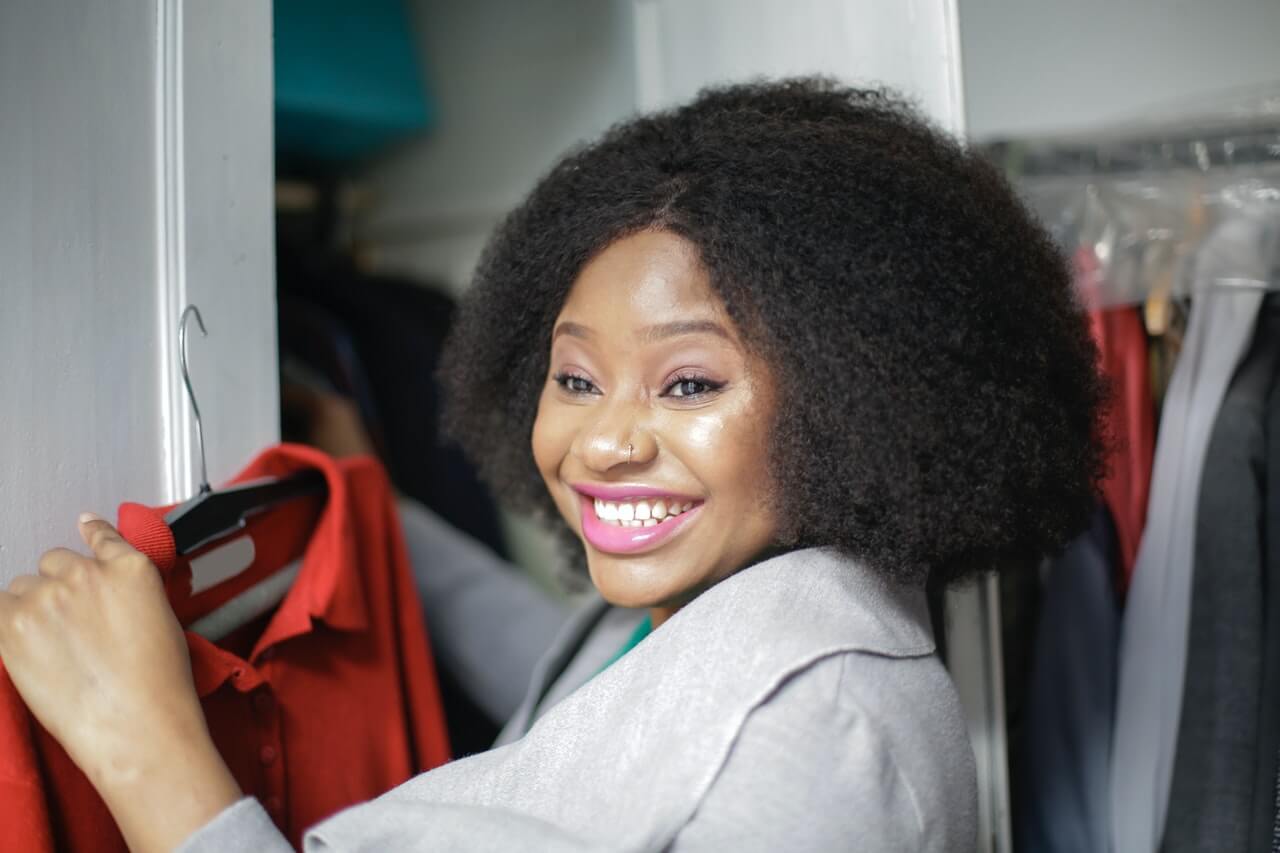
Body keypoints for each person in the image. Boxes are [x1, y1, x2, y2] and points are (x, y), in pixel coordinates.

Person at [0, 78, 1105, 851]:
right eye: (575, 379)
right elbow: (578, 689)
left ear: (860, 397)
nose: (602, 441)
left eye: (687, 384)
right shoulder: (717, 615)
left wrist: (147, 750)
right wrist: (375, 500)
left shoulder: (824, 751)